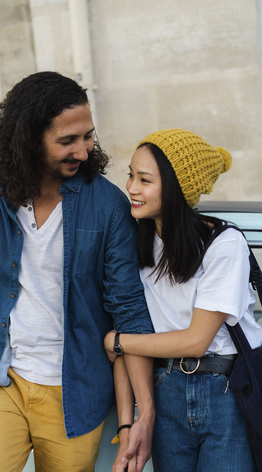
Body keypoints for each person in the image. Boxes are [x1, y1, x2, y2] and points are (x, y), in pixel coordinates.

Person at [0, 71, 155, 472]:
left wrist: (141, 416)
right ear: (30, 140)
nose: (85, 150)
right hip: (2, 379)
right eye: (68, 141)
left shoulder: (108, 207)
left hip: (75, 392)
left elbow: (129, 312)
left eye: (88, 135)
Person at [105, 128, 262, 472]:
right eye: (130, 175)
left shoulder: (224, 243)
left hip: (224, 392)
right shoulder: (137, 242)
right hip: (166, 388)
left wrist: (118, 341)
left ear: (175, 187)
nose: (131, 187)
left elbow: (196, 340)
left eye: (145, 180)